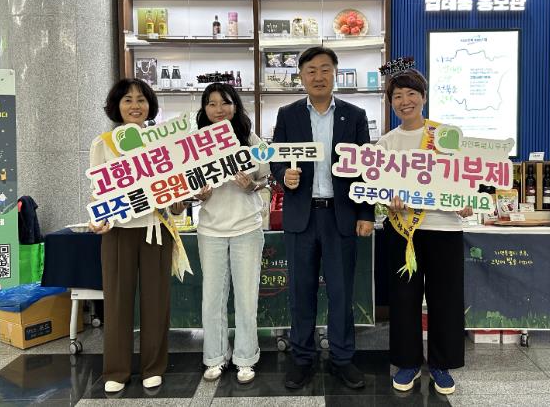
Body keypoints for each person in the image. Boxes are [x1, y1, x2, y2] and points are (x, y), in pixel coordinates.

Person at [270, 46, 374, 390]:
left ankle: (342, 358)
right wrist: (284, 175)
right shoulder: (288, 114)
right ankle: (302, 358)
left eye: (325, 69)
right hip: (301, 217)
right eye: (311, 70)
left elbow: (366, 170)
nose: (318, 76)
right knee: (301, 292)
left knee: (342, 292)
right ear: (301, 76)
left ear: (335, 73)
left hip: (340, 216)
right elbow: (276, 158)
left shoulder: (354, 115)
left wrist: (366, 213)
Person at [88, 78, 185, 393]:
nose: (135, 106)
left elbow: (176, 189)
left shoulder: (163, 142)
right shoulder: (104, 143)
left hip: (156, 229)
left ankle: (153, 367)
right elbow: (97, 190)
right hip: (118, 232)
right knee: (117, 302)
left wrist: (181, 201)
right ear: (117, 106)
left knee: (156, 302)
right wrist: (98, 217)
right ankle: (116, 370)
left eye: (141, 99)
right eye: (127, 100)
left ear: (150, 105)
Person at [377, 66, 470, 395]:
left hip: (444, 228)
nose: (405, 101)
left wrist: (467, 201)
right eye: (397, 96)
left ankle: (442, 364)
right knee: (404, 299)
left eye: (411, 94)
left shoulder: (445, 136)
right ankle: (408, 362)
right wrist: (388, 200)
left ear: (424, 97)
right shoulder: (386, 143)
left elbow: (466, 179)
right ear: (390, 102)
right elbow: (378, 189)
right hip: (403, 232)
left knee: (446, 298)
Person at [193, 82, 270, 384]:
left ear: (235, 106)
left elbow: (267, 179)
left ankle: (246, 357)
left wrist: (252, 186)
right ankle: (214, 357)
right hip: (210, 229)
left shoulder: (250, 139)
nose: (219, 109)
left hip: (247, 227)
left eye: (225, 102)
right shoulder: (196, 143)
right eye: (211, 103)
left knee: (247, 297)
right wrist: (197, 195)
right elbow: (186, 187)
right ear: (204, 109)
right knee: (212, 298)